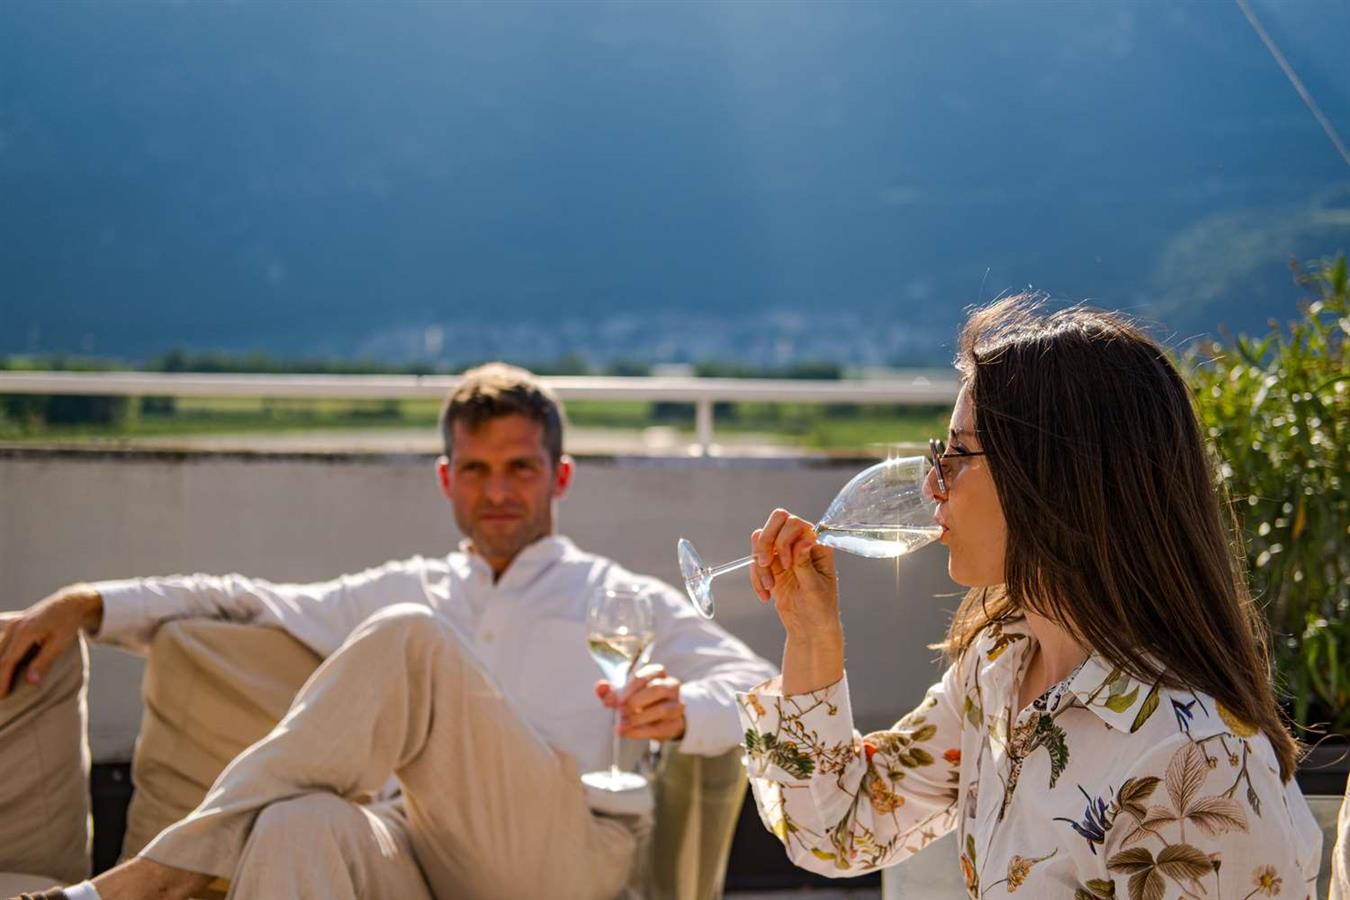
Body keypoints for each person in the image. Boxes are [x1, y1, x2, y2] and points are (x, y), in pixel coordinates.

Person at [0, 362, 776, 900]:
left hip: (563, 856)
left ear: (560, 476)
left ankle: (155, 878)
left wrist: (683, 710)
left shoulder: (617, 596)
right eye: (475, 470)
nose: (498, 492)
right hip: (418, 849)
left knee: (411, 637)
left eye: (520, 468)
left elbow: (758, 688)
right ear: (446, 479)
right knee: (299, 824)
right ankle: (168, 875)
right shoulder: (413, 584)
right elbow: (244, 600)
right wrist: (87, 604)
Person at [737, 297, 1323, 897]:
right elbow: (839, 829)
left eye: (957, 454)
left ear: (1057, 479)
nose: (932, 484)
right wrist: (811, 634)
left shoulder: (1196, 765)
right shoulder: (1002, 662)